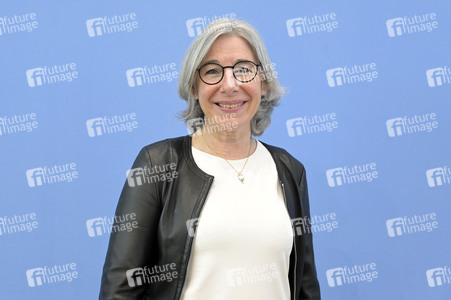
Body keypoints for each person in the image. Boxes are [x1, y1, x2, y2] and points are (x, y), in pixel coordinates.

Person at [99, 18, 321, 300]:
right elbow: (121, 289)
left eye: (243, 70)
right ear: (194, 88)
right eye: (212, 71)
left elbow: (305, 286)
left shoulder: (290, 170)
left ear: (263, 83)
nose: (229, 85)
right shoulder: (157, 164)